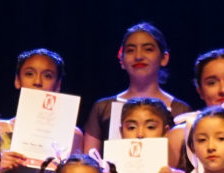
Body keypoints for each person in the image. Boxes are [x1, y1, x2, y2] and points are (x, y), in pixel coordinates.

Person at [82, 23, 192, 155]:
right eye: (130, 50)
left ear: (164, 58)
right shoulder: (103, 108)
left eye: (148, 49)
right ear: (121, 60)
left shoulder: (181, 111)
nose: (138, 56)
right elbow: (89, 161)